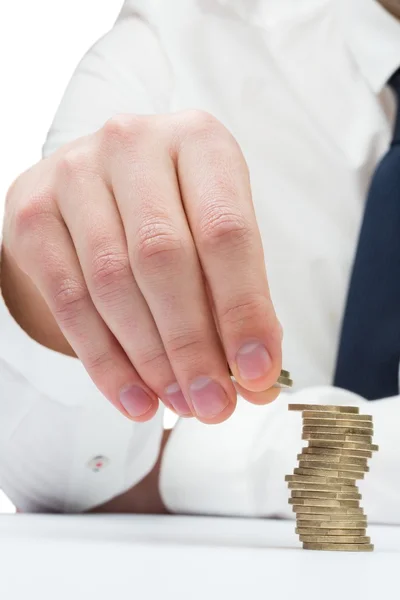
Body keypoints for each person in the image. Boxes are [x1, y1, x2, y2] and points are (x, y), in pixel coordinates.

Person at [0, 0, 399, 519]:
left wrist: (187, 466)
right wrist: (42, 300)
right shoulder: (171, 44)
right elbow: (77, 477)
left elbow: (131, 481)